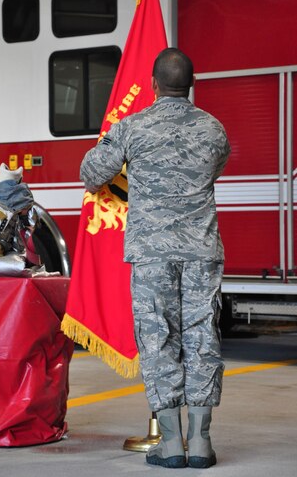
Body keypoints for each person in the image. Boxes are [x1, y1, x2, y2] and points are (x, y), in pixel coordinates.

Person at [80, 47, 231, 469]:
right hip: (201, 251)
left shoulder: (132, 127)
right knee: (202, 338)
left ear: (152, 84)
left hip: (152, 254)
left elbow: (91, 173)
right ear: (192, 84)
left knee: (158, 338)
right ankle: (200, 443)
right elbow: (213, 169)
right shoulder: (213, 128)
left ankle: (171, 445)